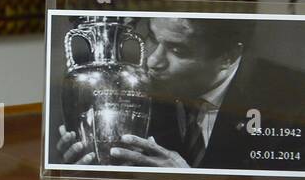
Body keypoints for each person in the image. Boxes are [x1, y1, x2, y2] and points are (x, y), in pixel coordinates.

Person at [57, 18, 304, 171]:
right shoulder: (136, 89)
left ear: (227, 57)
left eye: (177, 50)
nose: (153, 61)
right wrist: (89, 168)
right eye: (152, 38)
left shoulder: (291, 104)